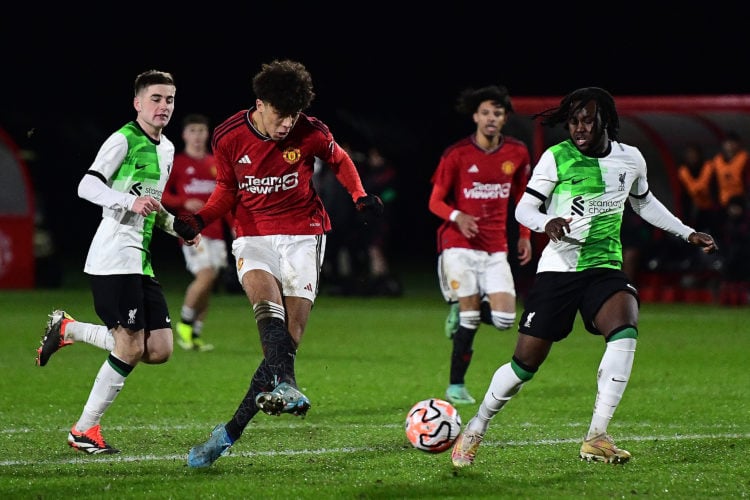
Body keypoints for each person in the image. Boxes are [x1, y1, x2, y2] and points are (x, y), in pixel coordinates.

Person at [450, 87, 718, 468]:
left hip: (605, 267)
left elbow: (643, 202)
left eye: (587, 120)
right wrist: (548, 221)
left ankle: (597, 435)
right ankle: (477, 426)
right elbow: (525, 209)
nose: (578, 128)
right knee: (524, 365)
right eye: (574, 121)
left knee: (625, 328)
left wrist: (686, 231)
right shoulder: (556, 158)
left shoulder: (630, 159)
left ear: (603, 121)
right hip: (559, 271)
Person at [172, 59, 383, 468]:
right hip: (253, 235)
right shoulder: (229, 136)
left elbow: (339, 159)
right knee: (266, 314)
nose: (287, 124)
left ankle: (229, 432)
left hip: (305, 234)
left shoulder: (312, 131)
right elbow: (226, 190)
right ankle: (287, 385)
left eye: (293, 115)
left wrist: (358, 195)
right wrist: (200, 219)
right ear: (260, 103)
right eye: (280, 114)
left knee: (288, 340)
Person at [34, 70, 194, 454]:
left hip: (142, 261)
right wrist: (126, 201)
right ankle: (84, 430)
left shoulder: (168, 150)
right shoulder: (123, 139)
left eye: (169, 99)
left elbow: (150, 206)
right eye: (155, 98)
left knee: (159, 348)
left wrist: (177, 228)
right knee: (130, 346)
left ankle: (69, 329)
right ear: (138, 103)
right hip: (112, 258)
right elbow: (87, 185)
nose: (163, 106)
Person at [428, 85, 533, 406]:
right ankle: (456, 386)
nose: (491, 118)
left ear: (505, 119)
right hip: (458, 244)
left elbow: (523, 198)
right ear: (475, 116)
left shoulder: (517, 153)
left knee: (503, 320)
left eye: (497, 113)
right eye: (485, 112)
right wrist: (458, 216)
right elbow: (434, 201)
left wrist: (526, 236)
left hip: (495, 248)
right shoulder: (457, 154)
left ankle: (462, 304)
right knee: (471, 319)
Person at [162, 113, 232, 351]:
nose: (197, 136)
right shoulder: (178, 163)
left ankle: (194, 334)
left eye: (201, 131)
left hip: (217, 232)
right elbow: (161, 195)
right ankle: (184, 322)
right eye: (192, 131)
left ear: (208, 134)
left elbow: (226, 197)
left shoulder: (215, 163)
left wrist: (233, 224)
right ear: (184, 135)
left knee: (210, 281)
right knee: (206, 275)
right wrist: (183, 200)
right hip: (192, 231)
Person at [676, 142, 719, 234]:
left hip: (712, 207)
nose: (692, 157)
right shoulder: (683, 171)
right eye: (689, 154)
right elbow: (684, 196)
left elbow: (715, 188)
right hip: (695, 208)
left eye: (694, 154)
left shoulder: (709, 167)